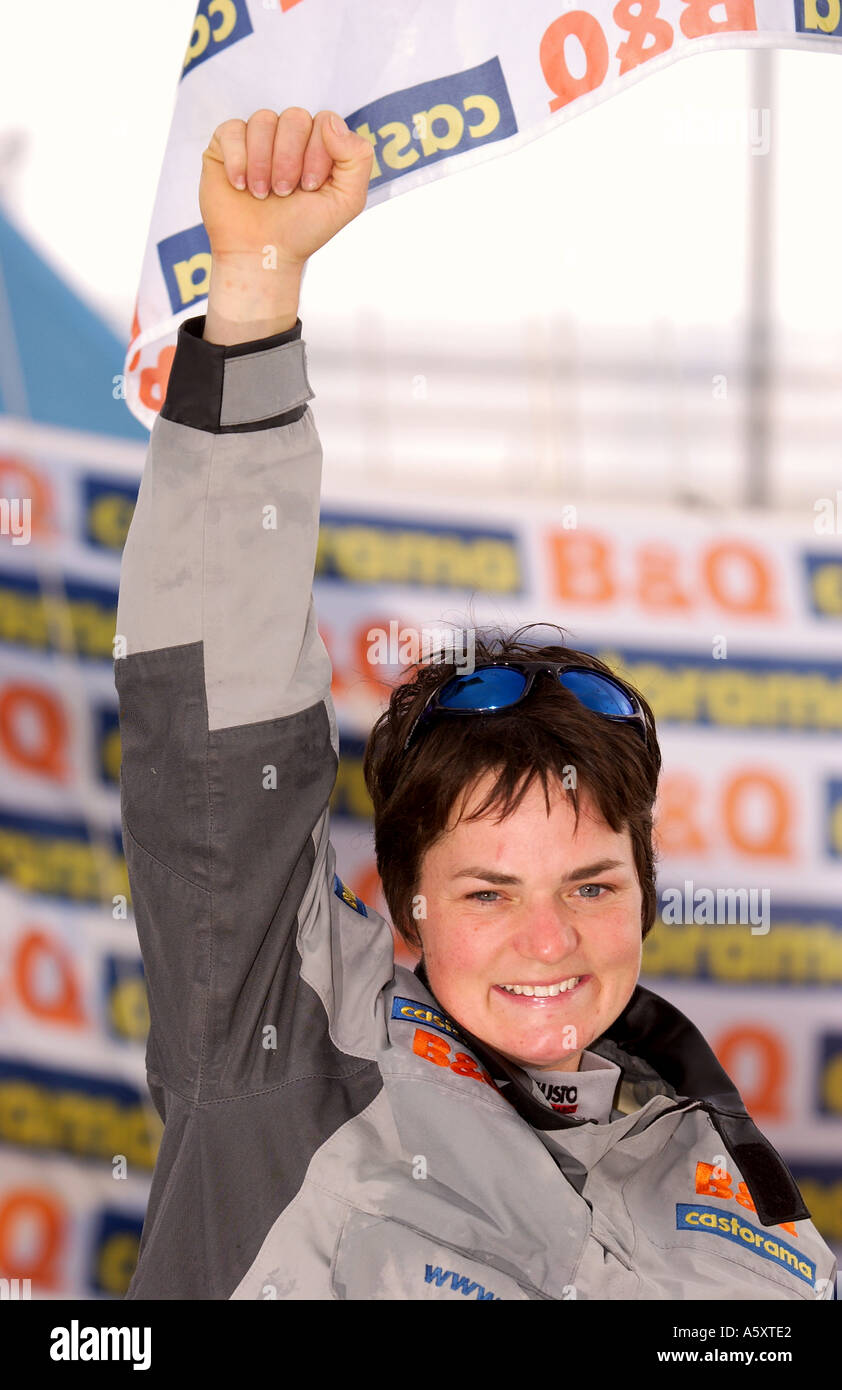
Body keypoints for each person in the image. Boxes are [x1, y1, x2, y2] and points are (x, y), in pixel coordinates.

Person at [117, 107, 836, 1301]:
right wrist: (254, 287)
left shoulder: (726, 1188)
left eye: (589, 885)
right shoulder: (291, 1063)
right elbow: (210, 721)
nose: (547, 941)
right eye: (487, 891)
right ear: (407, 904)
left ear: (645, 892)